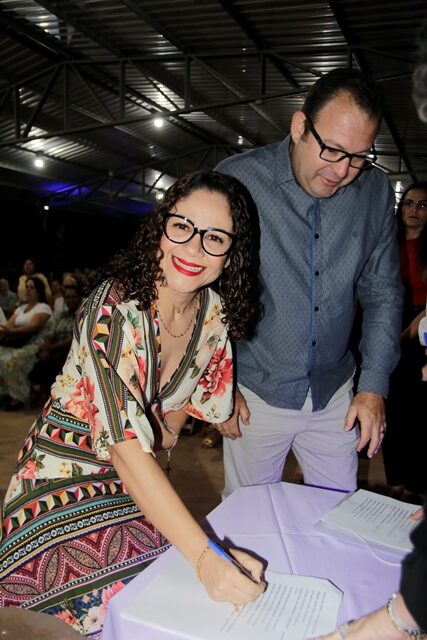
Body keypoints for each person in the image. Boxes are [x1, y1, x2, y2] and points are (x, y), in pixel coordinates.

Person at [0, 171, 265, 637]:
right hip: (61, 480)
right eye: (182, 226)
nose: (194, 248)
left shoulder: (213, 317)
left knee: (181, 591)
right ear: (161, 227)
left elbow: (166, 432)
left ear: (232, 253)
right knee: (119, 604)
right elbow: (126, 445)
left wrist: (209, 554)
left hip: (130, 482)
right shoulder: (116, 306)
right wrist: (206, 557)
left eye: (215, 238)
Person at [216, 67, 403, 497]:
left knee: (338, 517)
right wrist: (215, 380)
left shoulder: (375, 192)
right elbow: (204, 289)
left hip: (334, 394)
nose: (342, 171)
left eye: (359, 156)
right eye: (333, 150)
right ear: (300, 126)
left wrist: (373, 386)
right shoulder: (238, 180)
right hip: (254, 390)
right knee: (247, 517)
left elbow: (382, 293)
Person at [382, 182, 427, 501]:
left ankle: (414, 484)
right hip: (387, 322)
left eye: (423, 205)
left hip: (421, 332)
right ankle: (394, 480)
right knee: (388, 409)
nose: (414, 210)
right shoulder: (389, 244)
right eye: (409, 203)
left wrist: (404, 336)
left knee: (416, 415)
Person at [0, 276, 52, 409]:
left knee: (9, 360)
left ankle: (17, 397)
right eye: (27, 287)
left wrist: (10, 331)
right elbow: (8, 326)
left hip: (34, 344)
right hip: (17, 343)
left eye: (32, 287)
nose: (28, 290)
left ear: (39, 291)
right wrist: (7, 330)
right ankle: (5, 393)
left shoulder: (43, 307)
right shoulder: (20, 308)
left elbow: (33, 326)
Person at [28, 284, 83, 401]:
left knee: (52, 363)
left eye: (73, 297)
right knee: (39, 359)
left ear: (79, 298)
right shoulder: (61, 315)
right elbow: (50, 333)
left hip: (70, 350)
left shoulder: (81, 316)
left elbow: (74, 338)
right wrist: (46, 349)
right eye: (67, 297)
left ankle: (53, 397)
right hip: (53, 348)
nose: (70, 300)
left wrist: (51, 348)